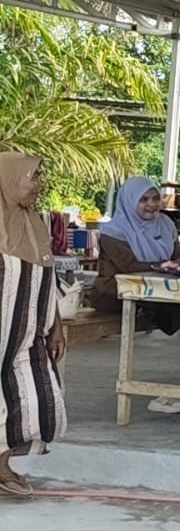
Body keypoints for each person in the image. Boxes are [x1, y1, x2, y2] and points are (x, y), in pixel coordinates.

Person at [0, 152, 68, 498]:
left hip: (27, 333)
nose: (39, 185)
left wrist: (56, 325)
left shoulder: (35, 222)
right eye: (33, 177)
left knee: (31, 397)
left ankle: (3, 463)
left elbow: (48, 276)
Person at [90, 177, 180, 329]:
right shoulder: (114, 232)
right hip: (117, 291)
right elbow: (128, 267)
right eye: (143, 200)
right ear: (130, 201)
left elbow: (177, 255)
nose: (151, 204)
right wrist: (164, 266)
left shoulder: (165, 224)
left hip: (157, 289)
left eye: (156, 198)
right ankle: (164, 319)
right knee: (175, 308)